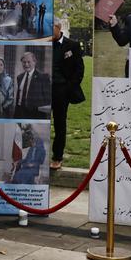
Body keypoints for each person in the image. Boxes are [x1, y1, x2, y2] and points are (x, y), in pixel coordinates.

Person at [50, 19, 85, 170]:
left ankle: (57, 157)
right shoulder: (42, 43)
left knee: (59, 124)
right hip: (42, 89)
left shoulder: (72, 45)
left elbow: (79, 69)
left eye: (50, 28)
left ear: (58, 28)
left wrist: (68, 87)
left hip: (61, 91)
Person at [13, 50, 51, 119]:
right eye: (24, 62)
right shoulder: (19, 77)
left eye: (28, 62)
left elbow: (48, 99)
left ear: (34, 62)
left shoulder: (43, 77)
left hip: (36, 115)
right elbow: (19, 98)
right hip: (20, 113)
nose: (26, 64)